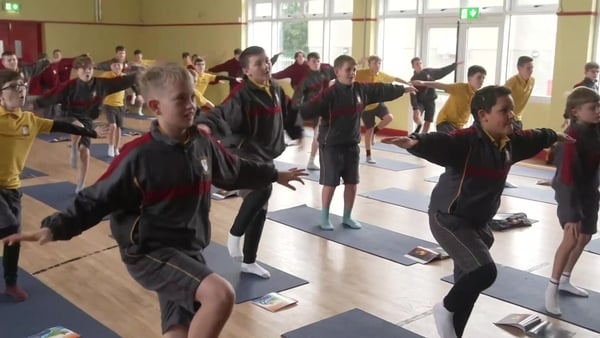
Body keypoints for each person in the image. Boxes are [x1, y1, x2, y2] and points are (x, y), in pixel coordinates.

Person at [2, 63, 306, 338]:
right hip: (149, 251)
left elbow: (234, 171)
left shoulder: (202, 144)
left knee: (179, 329)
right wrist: (53, 228)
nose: (191, 105)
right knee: (219, 295)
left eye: (192, 97)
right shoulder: (138, 156)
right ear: (154, 106)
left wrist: (272, 174)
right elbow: (96, 199)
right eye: (181, 100)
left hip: (188, 248)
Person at [380, 85, 573, 338]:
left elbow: (535, 136)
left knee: (467, 288)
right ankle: (443, 309)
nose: (511, 115)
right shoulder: (466, 142)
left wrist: (554, 135)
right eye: (504, 111)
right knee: (483, 272)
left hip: (477, 224)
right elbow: (443, 143)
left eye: (512, 110)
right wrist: (416, 142)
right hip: (448, 218)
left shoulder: (510, 143)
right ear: (483, 115)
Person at [197, 46, 304, 279]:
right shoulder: (241, 94)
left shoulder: (273, 87)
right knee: (263, 186)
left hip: (264, 154)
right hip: (244, 152)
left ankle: (249, 261)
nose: (266, 66)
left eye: (267, 61)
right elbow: (220, 114)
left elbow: (289, 111)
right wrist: (206, 125)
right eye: (259, 64)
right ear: (246, 70)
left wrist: (297, 132)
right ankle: (234, 234)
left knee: (260, 207)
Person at [0, 69, 105, 302]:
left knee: (12, 238)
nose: (21, 90)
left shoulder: (31, 121)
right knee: (8, 229)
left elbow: (60, 125)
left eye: (23, 86)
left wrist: (90, 132)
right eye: (14, 87)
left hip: (13, 188)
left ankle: (10, 283)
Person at [299, 54, 415, 230]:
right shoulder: (329, 94)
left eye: (354, 70)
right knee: (330, 183)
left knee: (352, 183)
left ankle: (347, 217)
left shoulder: (360, 90)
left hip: (351, 144)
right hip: (331, 145)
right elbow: (308, 108)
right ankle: (324, 217)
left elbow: (381, 89)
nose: (352, 73)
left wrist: (402, 89)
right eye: (348, 70)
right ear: (337, 72)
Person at [35, 55, 141, 192]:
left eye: (90, 69)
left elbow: (122, 81)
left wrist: (141, 74)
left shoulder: (101, 84)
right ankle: (73, 146)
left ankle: (81, 182)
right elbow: (52, 95)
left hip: (87, 118)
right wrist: (35, 104)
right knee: (79, 126)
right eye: (84, 69)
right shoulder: (69, 86)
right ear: (77, 70)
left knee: (85, 150)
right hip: (69, 115)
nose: (88, 72)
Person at [545, 86, 600, 316]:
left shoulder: (596, 130)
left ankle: (566, 279)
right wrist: (572, 213)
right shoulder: (571, 137)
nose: (598, 110)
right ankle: (552, 288)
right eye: (593, 107)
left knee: (585, 237)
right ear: (576, 111)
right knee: (571, 239)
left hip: (589, 192)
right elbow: (566, 177)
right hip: (570, 193)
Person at [355, 55, 411, 163]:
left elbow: (395, 78)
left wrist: (408, 83)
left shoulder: (381, 75)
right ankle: (368, 155)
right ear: (369, 64)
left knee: (389, 117)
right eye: (375, 63)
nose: (377, 65)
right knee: (369, 130)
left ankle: (375, 132)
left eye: (379, 63)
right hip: (366, 107)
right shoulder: (362, 73)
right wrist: (358, 61)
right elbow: (350, 71)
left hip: (378, 104)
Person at [291, 51, 336, 170]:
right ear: (308, 63)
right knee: (318, 133)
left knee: (322, 134)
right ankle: (313, 160)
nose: (316, 63)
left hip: (326, 107)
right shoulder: (306, 79)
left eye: (318, 61)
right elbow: (298, 95)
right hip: (313, 108)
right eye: (313, 61)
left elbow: (338, 70)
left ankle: (313, 160)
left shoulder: (325, 71)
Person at [412, 65, 486, 133]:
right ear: (470, 78)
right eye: (479, 77)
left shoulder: (478, 96)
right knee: (452, 141)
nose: (482, 80)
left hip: (458, 126)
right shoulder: (461, 87)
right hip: (445, 122)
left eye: (483, 78)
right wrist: (423, 83)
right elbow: (440, 85)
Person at [409, 57, 459, 133]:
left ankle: (423, 137)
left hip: (430, 101)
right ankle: (419, 124)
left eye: (420, 63)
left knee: (428, 121)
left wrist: (454, 65)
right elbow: (413, 95)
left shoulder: (429, 72)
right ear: (413, 67)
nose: (419, 65)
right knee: (416, 117)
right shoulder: (413, 79)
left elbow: (442, 71)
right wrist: (415, 108)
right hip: (420, 102)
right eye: (417, 64)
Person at [504, 56, 535, 130]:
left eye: (532, 68)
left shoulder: (532, 81)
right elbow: (501, 99)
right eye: (528, 68)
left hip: (518, 118)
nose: (531, 71)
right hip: (508, 117)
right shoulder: (511, 82)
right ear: (519, 68)